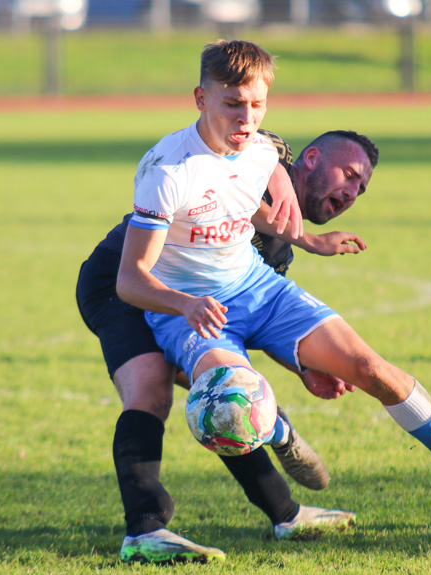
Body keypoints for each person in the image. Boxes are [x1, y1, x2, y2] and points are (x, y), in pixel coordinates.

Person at [117, 36, 431, 559]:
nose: (246, 118)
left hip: (257, 286)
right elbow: (131, 281)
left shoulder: (258, 150)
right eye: (232, 104)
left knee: (371, 368)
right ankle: (275, 433)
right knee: (231, 408)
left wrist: (309, 240)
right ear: (200, 99)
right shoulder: (167, 171)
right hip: (194, 311)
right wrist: (184, 304)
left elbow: (236, 204)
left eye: (257, 105)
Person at [77, 94, 378, 565]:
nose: (350, 196)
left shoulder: (277, 251)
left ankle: (286, 512)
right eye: (349, 179)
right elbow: (252, 137)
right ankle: (145, 530)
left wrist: (302, 369)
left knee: (224, 392)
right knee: (151, 390)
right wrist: (277, 164)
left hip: (184, 298)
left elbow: (253, 324)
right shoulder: (254, 163)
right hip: (121, 280)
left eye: (362, 190)